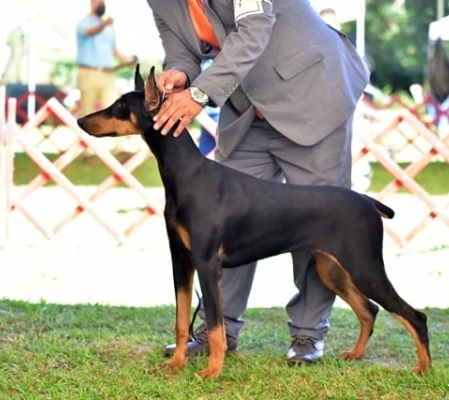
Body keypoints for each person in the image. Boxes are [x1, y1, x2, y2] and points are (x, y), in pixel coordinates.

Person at [147, 0, 369, 364]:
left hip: (311, 93)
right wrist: (180, 74)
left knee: (317, 222)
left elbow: (254, 28)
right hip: (245, 108)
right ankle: (219, 330)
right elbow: (182, 52)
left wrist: (201, 94)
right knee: (217, 222)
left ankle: (308, 334)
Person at [76, 0, 139, 161]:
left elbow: (115, 52)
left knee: (116, 110)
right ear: (92, 3)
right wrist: (104, 24)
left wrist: (128, 60)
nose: (101, 4)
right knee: (87, 113)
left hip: (108, 74)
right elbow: (90, 32)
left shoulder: (109, 28)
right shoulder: (84, 24)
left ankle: (120, 149)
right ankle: (88, 152)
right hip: (88, 73)